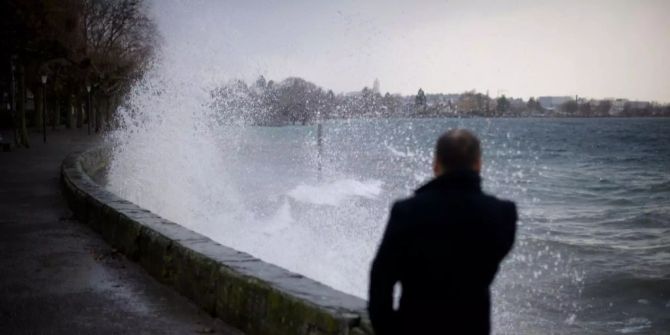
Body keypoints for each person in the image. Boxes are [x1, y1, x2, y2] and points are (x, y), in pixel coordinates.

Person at [368, 129, 517, 334]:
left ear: (436, 165)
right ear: (478, 164)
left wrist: (389, 330)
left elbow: (380, 281)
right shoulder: (503, 214)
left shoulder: (407, 211)